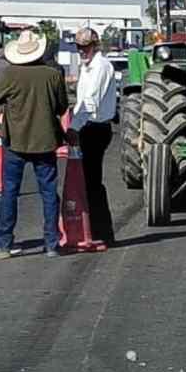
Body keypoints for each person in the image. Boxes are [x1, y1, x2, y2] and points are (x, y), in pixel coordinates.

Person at [0, 30, 69, 258]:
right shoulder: (52, 74)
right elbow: (62, 107)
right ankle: (51, 243)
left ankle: (4, 244)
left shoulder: (10, 74)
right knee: (49, 193)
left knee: (9, 193)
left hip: (15, 142)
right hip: (45, 141)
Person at [65, 28, 118, 248]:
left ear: (95, 45)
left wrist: (74, 127)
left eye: (85, 47)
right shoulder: (87, 67)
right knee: (87, 182)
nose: (82, 51)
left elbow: (90, 102)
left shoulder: (101, 67)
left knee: (92, 183)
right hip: (88, 125)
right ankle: (94, 230)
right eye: (79, 47)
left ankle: (102, 232)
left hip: (94, 127)